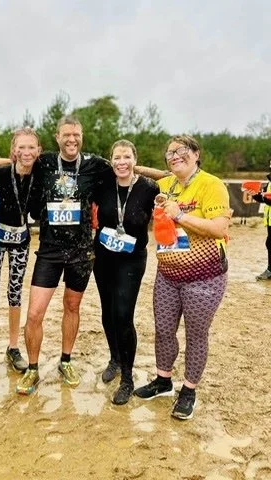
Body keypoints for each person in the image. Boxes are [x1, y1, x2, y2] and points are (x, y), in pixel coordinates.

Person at [15, 115, 166, 395]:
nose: (71, 139)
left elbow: (126, 167)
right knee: (35, 313)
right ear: (57, 137)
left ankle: (66, 361)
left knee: (72, 308)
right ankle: (33, 369)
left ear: (81, 136)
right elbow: (15, 160)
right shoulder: (45, 161)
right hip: (49, 250)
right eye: (66, 135)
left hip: (81, 251)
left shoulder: (95, 165)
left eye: (76, 134)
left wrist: (170, 175)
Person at [134, 135, 230, 420]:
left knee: (196, 334)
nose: (174, 156)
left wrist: (180, 216)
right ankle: (163, 380)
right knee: (163, 330)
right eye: (170, 153)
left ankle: (188, 390)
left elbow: (218, 227)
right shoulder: (167, 184)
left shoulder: (213, 185)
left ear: (196, 154)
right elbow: (161, 173)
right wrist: (134, 166)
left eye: (181, 151)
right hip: (167, 275)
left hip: (205, 276)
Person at [93, 139, 159, 405]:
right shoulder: (102, 183)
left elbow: (171, 181)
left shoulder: (149, 188)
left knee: (123, 314)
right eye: (116, 157)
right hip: (104, 257)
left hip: (132, 260)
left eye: (127, 157)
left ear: (135, 160)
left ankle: (128, 378)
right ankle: (114, 359)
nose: (121, 162)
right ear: (111, 161)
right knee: (107, 312)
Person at [0, 127, 41, 379]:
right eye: (20, 147)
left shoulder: (41, 172)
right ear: (13, 150)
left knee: (15, 293)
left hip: (22, 239)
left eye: (31, 147)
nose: (26, 152)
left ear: (38, 151)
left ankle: (13, 347)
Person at [250, 163, 271, 280]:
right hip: (269, 220)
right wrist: (254, 194)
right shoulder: (269, 182)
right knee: (269, 244)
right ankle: (270, 270)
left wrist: (265, 198)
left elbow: (268, 199)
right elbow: (263, 198)